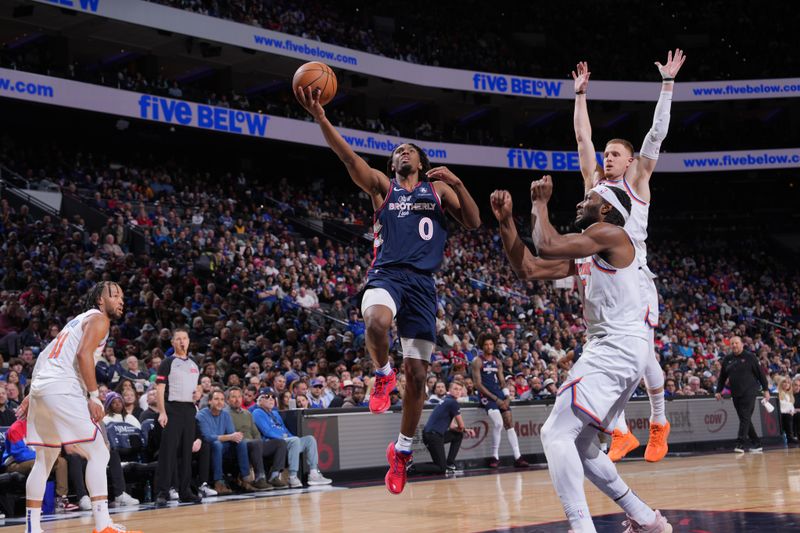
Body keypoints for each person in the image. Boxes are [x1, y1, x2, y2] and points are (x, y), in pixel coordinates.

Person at [296, 83, 481, 495]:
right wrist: (322, 118)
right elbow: (348, 157)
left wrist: (459, 182)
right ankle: (381, 374)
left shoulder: (438, 189)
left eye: (408, 150)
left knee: (417, 376)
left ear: (420, 159)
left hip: (423, 287)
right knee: (376, 321)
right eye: (396, 151)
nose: (401, 153)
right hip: (388, 274)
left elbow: (473, 222)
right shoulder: (383, 186)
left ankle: (401, 451)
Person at [491, 176, 671, 532]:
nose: (579, 203)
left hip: (615, 348)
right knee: (584, 446)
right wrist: (506, 222)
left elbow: (547, 243)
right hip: (621, 351)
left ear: (605, 209)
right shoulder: (593, 250)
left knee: (555, 434)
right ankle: (647, 519)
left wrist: (540, 203)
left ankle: (581, 526)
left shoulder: (613, 234)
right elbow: (527, 267)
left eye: (588, 198)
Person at [571, 49, 686, 463]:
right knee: (598, 350)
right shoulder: (594, 184)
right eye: (607, 154)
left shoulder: (637, 180)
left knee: (641, 354)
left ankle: (658, 422)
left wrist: (667, 85)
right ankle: (620, 431)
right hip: (596, 278)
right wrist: (580, 95)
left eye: (615, 153)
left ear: (631, 160)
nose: (607, 157)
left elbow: (657, 134)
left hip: (633, 275)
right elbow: (583, 139)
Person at [18, 281, 139, 533]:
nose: (120, 300)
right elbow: (84, 355)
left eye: (122, 296)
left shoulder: (75, 322)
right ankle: (103, 524)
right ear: (100, 301)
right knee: (99, 452)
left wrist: (32, 394)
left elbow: (44, 356)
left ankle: (32, 528)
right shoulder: (99, 320)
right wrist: (94, 397)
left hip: (43, 388)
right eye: (114, 295)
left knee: (45, 460)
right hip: (62, 387)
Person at [154, 328, 202, 505]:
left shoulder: (194, 363)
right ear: (173, 342)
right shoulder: (168, 362)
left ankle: (185, 490)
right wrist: (162, 412)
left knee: (186, 453)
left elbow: (197, 387)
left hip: (189, 409)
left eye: (185, 338)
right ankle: (162, 491)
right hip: (172, 409)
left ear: (189, 341)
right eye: (178, 339)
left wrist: (199, 394)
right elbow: (159, 388)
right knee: (168, 452)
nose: (182, 342)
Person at [251, 388, 332, 488]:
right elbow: (267, 431)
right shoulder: (257, 412)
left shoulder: (275, 413)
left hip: (288, 440)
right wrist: (286, 438)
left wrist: (292, 437)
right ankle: (292, 476)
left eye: (273, 397)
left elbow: (284, 429)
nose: (271, 399)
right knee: (295, 440)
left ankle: (314, 473)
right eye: (267, 397)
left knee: (310, 439)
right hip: (273, 442)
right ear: (260, 400)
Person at [472, 333, 529, 469]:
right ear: (482, 346)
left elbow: (502, 381)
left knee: (509, 423)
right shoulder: (477, 361)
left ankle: (518, 457)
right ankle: (494, 456)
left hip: (498, 393)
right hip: (486, 394)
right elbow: (478, 384)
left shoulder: (497, 361)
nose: (489, 346)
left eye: (491, 344)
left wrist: (507, 396)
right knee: (498, 423)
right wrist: (496, 399)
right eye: (486, 344)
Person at [226, 386, 289, 489]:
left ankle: (274, 475)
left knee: (280, 443)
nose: (237, 399)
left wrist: (259, 441)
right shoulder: (225, 413)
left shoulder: (247, 413)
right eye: (233, 397)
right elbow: (230, 433)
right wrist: (256, 442)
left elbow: (256, 433)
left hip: (255, 444)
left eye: (239, 397)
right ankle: (260, 478)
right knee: (256, 443)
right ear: (228, 400)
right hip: (238, 444)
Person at [715, 336, 770, 453]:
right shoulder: (727, 359)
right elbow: (722, 377)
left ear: (741, 344)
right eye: (732, 344)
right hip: (735, 393)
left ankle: (740, 444)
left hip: (749, 391)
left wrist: (766, 389)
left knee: (744, 417)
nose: (734, 345)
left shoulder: (750, 357)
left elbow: (761, 374)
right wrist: (718, 391)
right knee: (744, 418)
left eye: (736, 343)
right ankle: (757, 443)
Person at [196, 390, 256, 494]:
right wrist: (230, 436)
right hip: (208, 449)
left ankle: (245, 478)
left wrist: (236, 436)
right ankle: (218, 482)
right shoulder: (201, 415)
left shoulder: (225, 415)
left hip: (223, 447)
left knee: (241, 442)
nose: (220, 402)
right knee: (217, 444)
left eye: (222, 399)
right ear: (209, 401)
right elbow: (207, 437)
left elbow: (232, 434)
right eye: (216, 399)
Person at [409, 381, 474, 475]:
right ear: (449, 390)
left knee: (458, 435)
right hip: (433, 436)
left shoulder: (446, 400)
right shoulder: (452, 403)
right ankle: (412, 468)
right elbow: (461, 426)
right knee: (441, 468)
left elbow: (452, 426)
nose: (458, 392)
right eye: (455, 389)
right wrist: (464, 429)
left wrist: (464, 430)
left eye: (460, 389)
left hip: (431, 435)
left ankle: (449, 464)